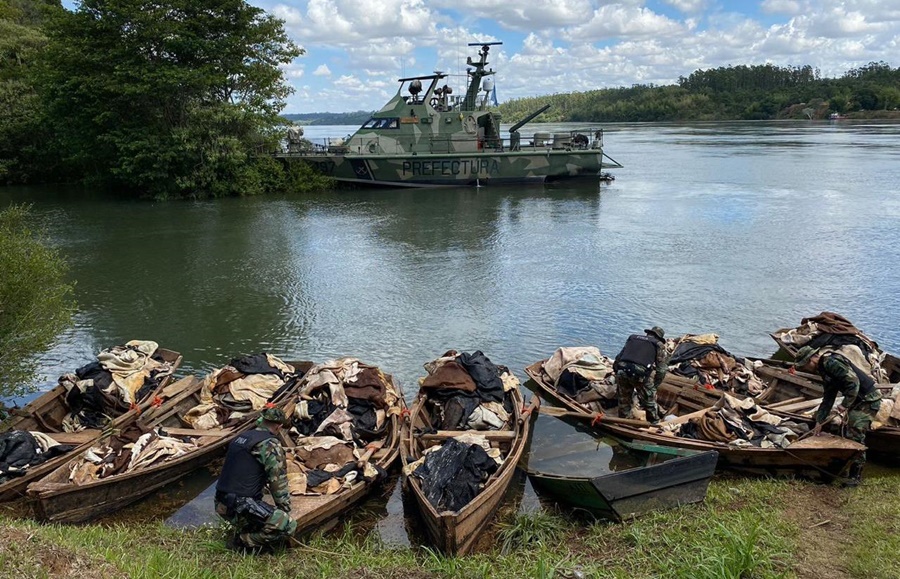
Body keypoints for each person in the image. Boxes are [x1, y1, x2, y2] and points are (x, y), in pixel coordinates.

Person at [794, 345, 882, 486]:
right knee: (846, 431)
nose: (805, 368)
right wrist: (819, 421)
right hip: (858, 400)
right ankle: (844, 467)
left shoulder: (830, 362)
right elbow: (828, 397)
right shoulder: (824, 370)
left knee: (854, 434)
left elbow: (853, 383)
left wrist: (845, 405)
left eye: (804, 365)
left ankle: (855, 476)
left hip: (868, 400)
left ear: (812, 359)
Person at [214, 405, 297, 552]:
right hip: (239, 506)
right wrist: (284, 510)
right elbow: (277, 481)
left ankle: (247, 527)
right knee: (288, 525)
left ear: (261, 421)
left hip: (221, 503)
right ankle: (243, 542)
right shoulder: (270, 444)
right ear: (278, 427)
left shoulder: (242, 437)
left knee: (262, 513)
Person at [613, 326, 668, 423]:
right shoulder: (658, 345)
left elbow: (619, 357)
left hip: (622, 370)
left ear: (648, 333)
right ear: (659, 338)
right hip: (639, 374)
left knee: (623, 399)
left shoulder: (633, 338)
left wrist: (616, 370)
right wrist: (655, 385)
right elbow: (662, 370)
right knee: (649, 400)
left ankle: (624, 421)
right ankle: (654, 422)